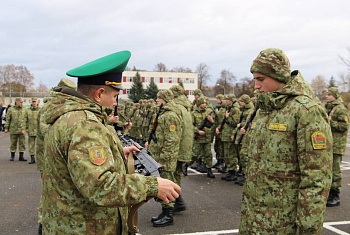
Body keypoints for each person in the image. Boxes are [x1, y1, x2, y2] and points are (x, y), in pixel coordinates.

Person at [40, 51, 181, 234]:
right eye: (114, 97)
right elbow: (101, 186)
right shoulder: (85, 125)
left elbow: (77, 165)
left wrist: (116, 154)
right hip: (84, 227)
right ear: (99, 94)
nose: (114, 103)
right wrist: (152, 186)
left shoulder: (72, 118)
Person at [239, 48, 333, 234]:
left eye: (261, 79)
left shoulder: (306, 111)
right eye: (254, 79)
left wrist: (308, 229)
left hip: (284, 224)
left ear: (278, 76)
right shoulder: (263, 109)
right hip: (253, 220)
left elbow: (316, 177)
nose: (255, 86)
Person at [146, 89, 182, 227]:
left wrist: (164, 159)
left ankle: (168, 215)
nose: (156, 100)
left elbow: (172, 140)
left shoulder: (171, 116)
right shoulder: (163, 113)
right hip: (160, 156)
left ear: (165, 99)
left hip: (165, 158)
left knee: (166, 185)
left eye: (158, 98)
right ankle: (164, 212)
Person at [169, 84, 194, 212]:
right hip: (185, 147)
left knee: (171, 174)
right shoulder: (186, 108)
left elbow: (175, 130)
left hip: (177, 147)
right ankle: (178, 201)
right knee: (177, 174)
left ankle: (174, 202)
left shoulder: (176, 108)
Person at [325, 87, 349, 207]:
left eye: (329, 94)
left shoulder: (340, 109)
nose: (326, 96)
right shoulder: (329, 108)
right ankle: (329, 193)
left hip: (337, 145)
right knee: (328, 170)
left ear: (334, 95)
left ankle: (335, 195)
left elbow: (344, 126)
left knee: (335, 171)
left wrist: (330, 123)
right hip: (328, 144)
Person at [24, 97, 41, 164]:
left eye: (35, 101)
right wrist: (24, 129)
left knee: (40, 146)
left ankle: (40, 159)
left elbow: (43, 120)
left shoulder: (40, 110)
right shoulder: (27, 111)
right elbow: (25, 120)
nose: (34, 103)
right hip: (30, 130)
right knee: (31, 145)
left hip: (39, 131)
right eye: (33, 102)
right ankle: (32, 158)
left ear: (37, 102)